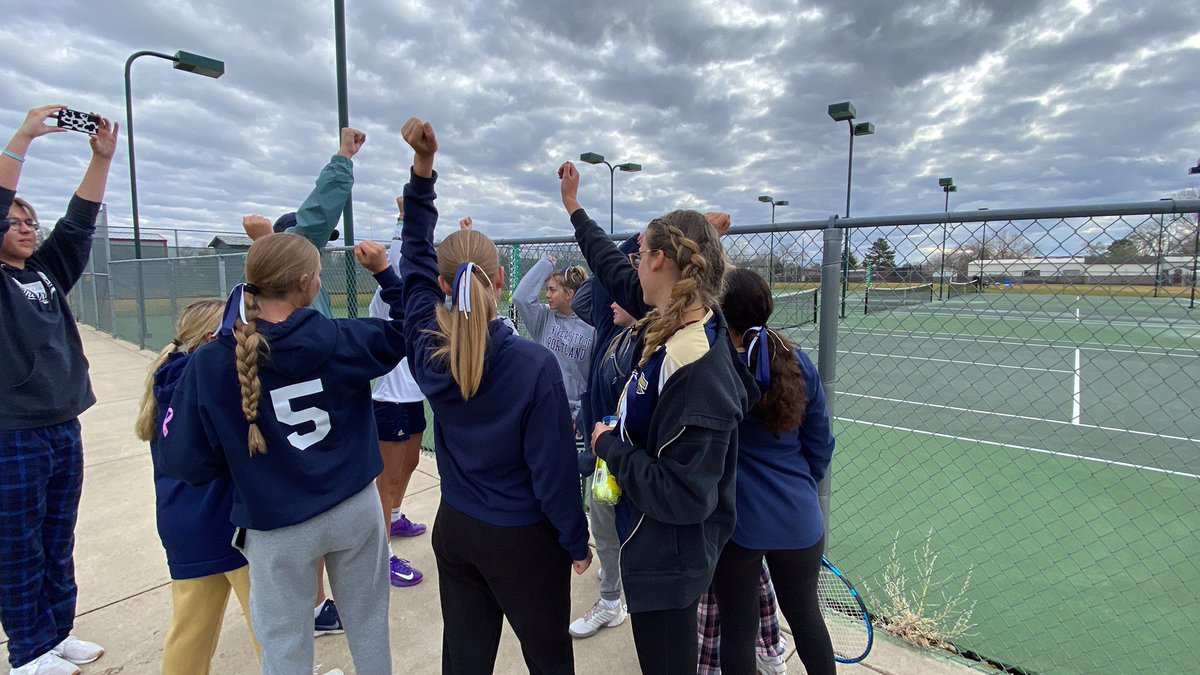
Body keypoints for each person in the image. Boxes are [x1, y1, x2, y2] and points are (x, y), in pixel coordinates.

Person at [157, 234, 406, 675]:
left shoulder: (212, 360)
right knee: (368, 626)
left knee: (284, 645)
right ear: (309, 284)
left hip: (276, 524)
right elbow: (409, 326)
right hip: (353, 507)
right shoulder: (338, 335)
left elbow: (186, 461)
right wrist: (385, 273)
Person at [397, 118, 591, 674]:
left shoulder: (426, 346)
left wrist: (423, 173)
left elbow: (413, 262)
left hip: (457, 528)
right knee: (549, 658)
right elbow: (552, 471)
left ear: (440, 284)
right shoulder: (532, 365)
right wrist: (576, 541)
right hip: (523, 540)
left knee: (464, 658)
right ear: (501, 280)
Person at [559, 161, 758, 675]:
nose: (632, 263)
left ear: (660, 261)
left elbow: (684, 495)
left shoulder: (693, 365)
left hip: (669, 563)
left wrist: (610, 446)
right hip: (653, 546)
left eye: (640, 253)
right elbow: (610, 266)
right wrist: (575, 209)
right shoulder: (673, 315)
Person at [1, 105, 117, 675]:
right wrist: (23, 136)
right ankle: (26, 652)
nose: (25, 227)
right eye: (12, 221)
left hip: (60, 423)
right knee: (17, 542)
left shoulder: (42, 273)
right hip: (11, 432)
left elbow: (77, 225)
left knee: (56, 535)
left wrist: (100, 160)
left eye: (29, 220)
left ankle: (55, 635)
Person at [240, 126, 366, 635]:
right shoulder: (311, 336)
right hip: (298, 475)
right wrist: (341, 159)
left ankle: (310, 605)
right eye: (312, 255)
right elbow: (314, 218)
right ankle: (312, 606)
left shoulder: (244, 331)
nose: (320, 261)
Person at [709, 268, 836, 675]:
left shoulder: (715, 364)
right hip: (800, 519)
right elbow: (820, 444)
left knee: (738, 629)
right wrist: (799, 487)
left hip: (738, 527)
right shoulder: (798, 361)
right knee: (806, 618)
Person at [134, 300, 261, 674]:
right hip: (228, 523)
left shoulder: (169, 377)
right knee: (272, 628)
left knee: (190, 632)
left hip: (182, 526)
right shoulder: (212, 383)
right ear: (212, 338)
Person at [567, 266, 639, 638]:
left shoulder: (647, 343)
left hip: (626, 459)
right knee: (605, 527)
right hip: (606, 455)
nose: (608, 302)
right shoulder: (614, 331)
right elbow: (582, 299)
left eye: (620, 292)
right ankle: (611, 598)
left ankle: (616, 598)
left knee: (622, 532)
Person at [369, 195, 427, 589]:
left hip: (413, 396)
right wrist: (403, 219)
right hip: (387, 399)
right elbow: (395, 257)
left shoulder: (418, 300)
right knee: (385, 478)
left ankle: (395, 516)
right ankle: (381, 552)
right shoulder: (385, 298)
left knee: (407, 466)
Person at [512, 252, 595, 422]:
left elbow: (593, 377)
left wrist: (578, 415)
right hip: (545, 407)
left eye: (552, 290)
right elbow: (520, 298)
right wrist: (545, 264)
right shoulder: (544, 318)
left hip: (579, 414)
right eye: (547, 289)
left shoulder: (592, 325)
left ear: (569, 294)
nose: (547, 295)